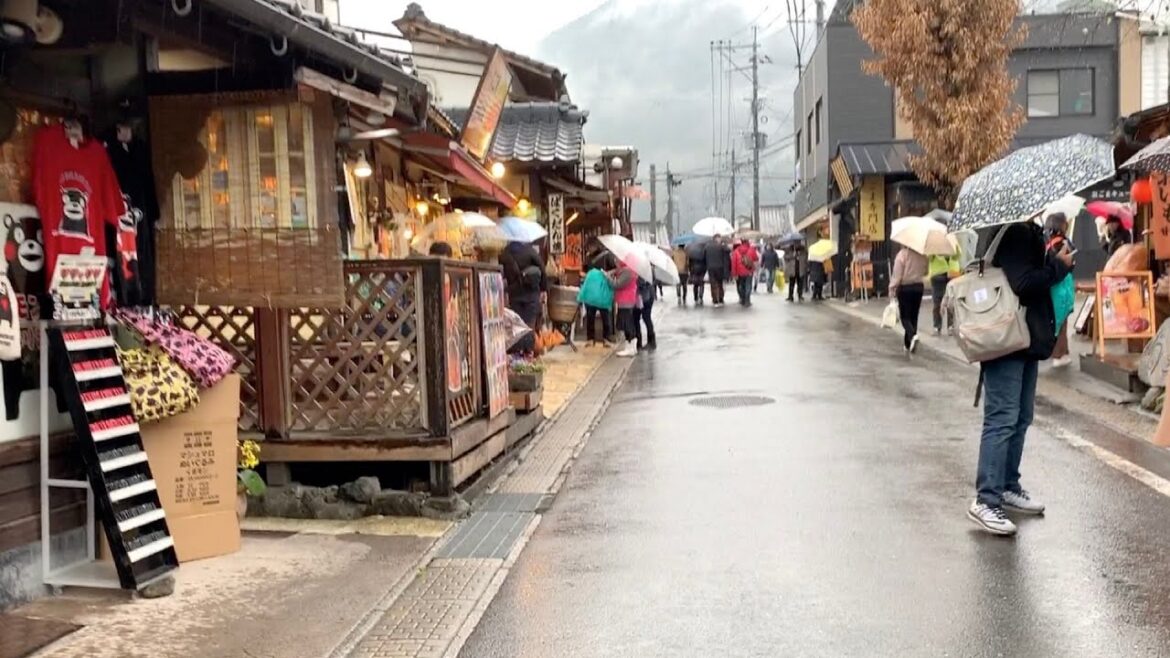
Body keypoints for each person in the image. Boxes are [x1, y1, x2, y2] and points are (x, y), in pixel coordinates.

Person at [968, 221, 1073, 536]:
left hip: (1024, 339)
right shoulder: (1015, 232)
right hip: (1006, 339)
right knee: (1002, 418)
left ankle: (1007, 486)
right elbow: (1023, 283)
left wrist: (1057, 261)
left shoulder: (1031, 231)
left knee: (1021, 416)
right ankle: (986, 499)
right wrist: (1058, 267)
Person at [500, 239, 546, 354]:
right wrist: (543, 289)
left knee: (517, 325)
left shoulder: (505, 254)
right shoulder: (530, 251)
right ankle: (529, 351)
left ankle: (519, 351)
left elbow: (502, 275)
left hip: (514, 294)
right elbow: (542, 269)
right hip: (531, 293)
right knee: (529, 324)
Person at [1045, 213, 1075, 368]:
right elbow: (1071, 262)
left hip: (1052, 285)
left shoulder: (1047, 242)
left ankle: (1058, 351)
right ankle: (1060, 354)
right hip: (1063, 285)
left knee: (1055, 319)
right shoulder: (1063, 243)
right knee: (1062, 321)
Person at [889, 245, 928, 354]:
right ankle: (908, 343)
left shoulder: (902, 255)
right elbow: (926, 272)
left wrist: (892, 288)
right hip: (919, 287)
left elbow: (897, 275)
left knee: (905, 316)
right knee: (914, 316)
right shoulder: (923, 255)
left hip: (905, 288)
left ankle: (912, 335)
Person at [578, 256, 615, 347]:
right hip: (596, 295)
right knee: (596, 317)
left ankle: (600, 339)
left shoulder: (606, 257)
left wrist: (606, 274)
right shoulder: (590, 259)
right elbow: (583, 271)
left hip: (597, 295)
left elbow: (615, 269)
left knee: (600, 317)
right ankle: (597, 339)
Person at [607, 258, 639, 357]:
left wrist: (607, 277)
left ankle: (630, 348)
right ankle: (630, 347)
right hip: (626, 300)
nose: (616, 262)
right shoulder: (627, 270)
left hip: (626, 301)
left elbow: (617, 285)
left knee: (627, 324)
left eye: (618, 260)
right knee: (627, 323)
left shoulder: (627, 272)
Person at [928, 250, 959, 335]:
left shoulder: (952, 242)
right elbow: (929, 258)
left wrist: (951, 253)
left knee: (951, 302)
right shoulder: (934, 246)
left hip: (952, 274)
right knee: (937, 303)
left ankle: (951, 326)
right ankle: (937, 327)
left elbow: (958, 256)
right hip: (938, 276)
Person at [731, 239, 759, 307]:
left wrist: (734, 273)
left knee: (741, 285)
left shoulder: (736, 251)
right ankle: (747, 301)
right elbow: (756, 259)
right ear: (748, 242)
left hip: (739, 271)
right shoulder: (751, 249)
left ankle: (742, 299)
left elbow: (733, 263)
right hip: (749, 270)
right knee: (748, 286)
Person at [635, 276, 657, 351]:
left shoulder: (642, 272)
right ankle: (648, 341)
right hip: (647, 296)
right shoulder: (646, 270)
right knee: (641, 318)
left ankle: (649, 342)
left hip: (644, 298)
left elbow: (642, 284)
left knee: (644, 318)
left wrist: (636, 282)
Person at [687, 241, 707, 306]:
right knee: (701, 284)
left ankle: (695, 298)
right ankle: (701, 296)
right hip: (702, 270)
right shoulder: (703, 252)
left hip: (694, 270)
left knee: (695, 285)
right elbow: (706, 262)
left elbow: (689, 263)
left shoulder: (692, 254)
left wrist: (690, 270)